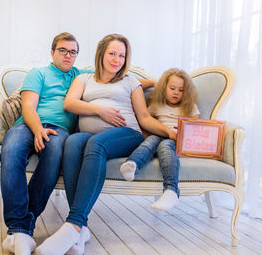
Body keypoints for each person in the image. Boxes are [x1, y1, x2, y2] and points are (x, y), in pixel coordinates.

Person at [34, 34, 176, 255]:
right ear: (101, 54)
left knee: (96, 144)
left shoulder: (130, 82)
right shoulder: (84, 79)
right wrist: (100, 110)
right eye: (112, 53)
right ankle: (81, 230)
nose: (117, 59)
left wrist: (170, 132)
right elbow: (70, 103)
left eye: (122, 55)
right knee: (72, 142)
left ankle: (72, 224)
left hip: (127, 133)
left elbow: (144, 118)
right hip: (88, 135)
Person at [0, 32, 93, 255]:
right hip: (29, 124)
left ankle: (21, 230)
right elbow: (28, 107)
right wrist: (38, 129)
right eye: (63, 50)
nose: (68, 55)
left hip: (60, 131)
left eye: (73, 52)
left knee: (52, 157)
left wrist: (157, 83)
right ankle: (19, 227)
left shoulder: (82, 76)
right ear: (52, 52)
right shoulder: (38, 73)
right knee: (11, 151)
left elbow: (121, 77)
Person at [120, 68, 199, 211]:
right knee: (151, 140)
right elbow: (144, 120)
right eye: (172, 88)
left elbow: (195, 128)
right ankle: (132, 164)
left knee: (165, 145)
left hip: (175, 140)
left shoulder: (189, 107)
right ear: (164, 87)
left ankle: (171, 190)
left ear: (186, 92)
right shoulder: (157, 104)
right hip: (158, 135)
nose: (176, 92)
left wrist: (183, 134)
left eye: (181, 90)